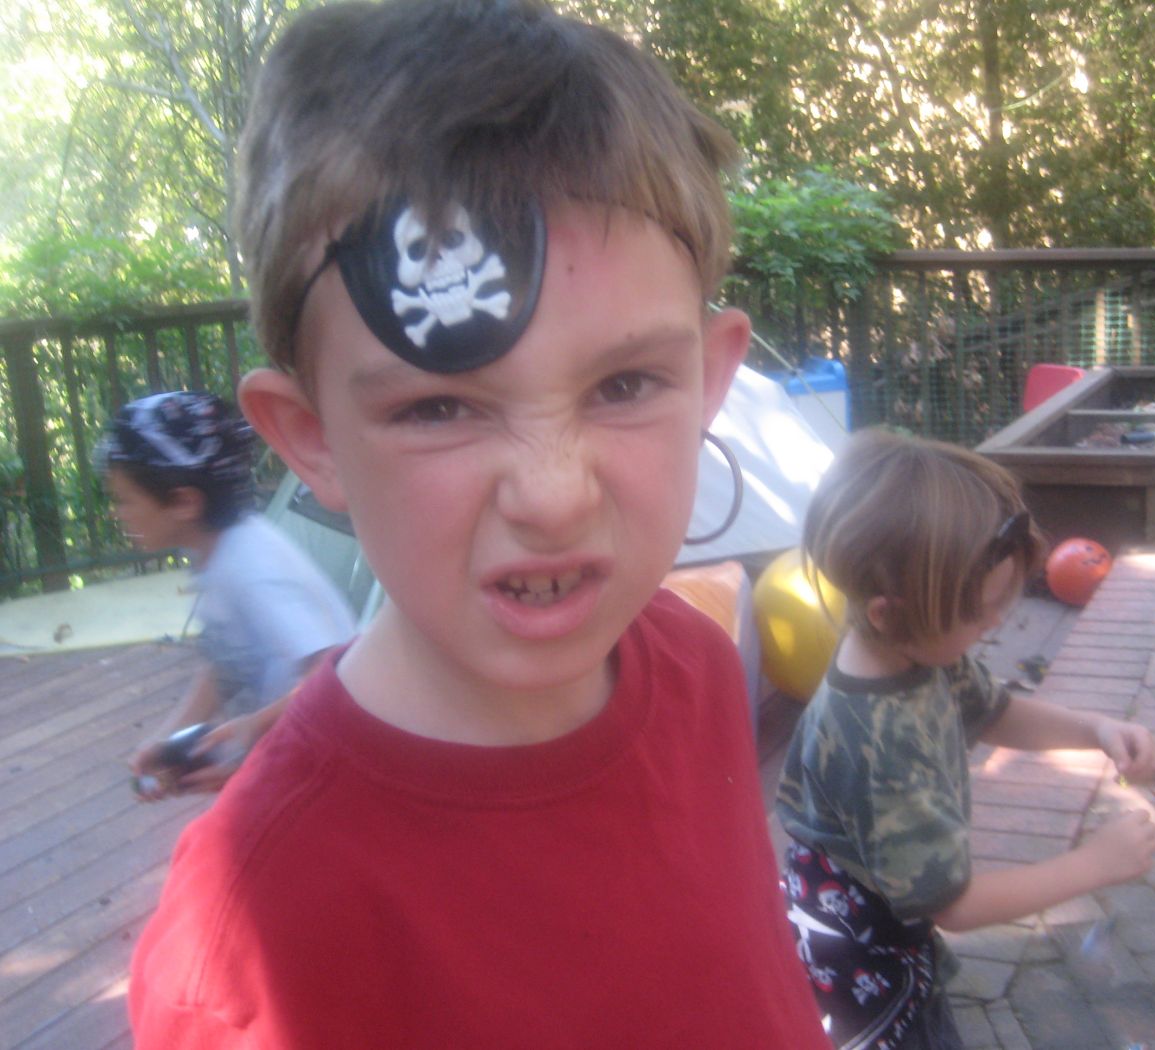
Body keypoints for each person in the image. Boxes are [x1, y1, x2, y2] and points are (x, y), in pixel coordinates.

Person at [128, 2, 829, 1046]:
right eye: (438, 408)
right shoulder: (257, 940)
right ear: (311, 439)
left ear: (711, 380)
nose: (552, 495)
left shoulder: (696, 669)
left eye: (625, 384)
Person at [775, 427, 1155, 1050]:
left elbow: (994, 711)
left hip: (890, 913)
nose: (998, 621)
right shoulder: (883, 746)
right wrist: (1094, 864)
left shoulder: (913, 649)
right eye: (982, 610)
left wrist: (1095, 729)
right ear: (888, 610)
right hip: (861, 957)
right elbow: (956, 905)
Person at [101, 390, 355, 798]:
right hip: (287, 761)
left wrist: (252, 736)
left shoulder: (252, 569)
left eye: (125, 500)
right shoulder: (212, 551)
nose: (117, 513)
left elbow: (333, 672)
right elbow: (225, 661)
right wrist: (168, 739)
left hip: (329, 774)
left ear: (184, 502)